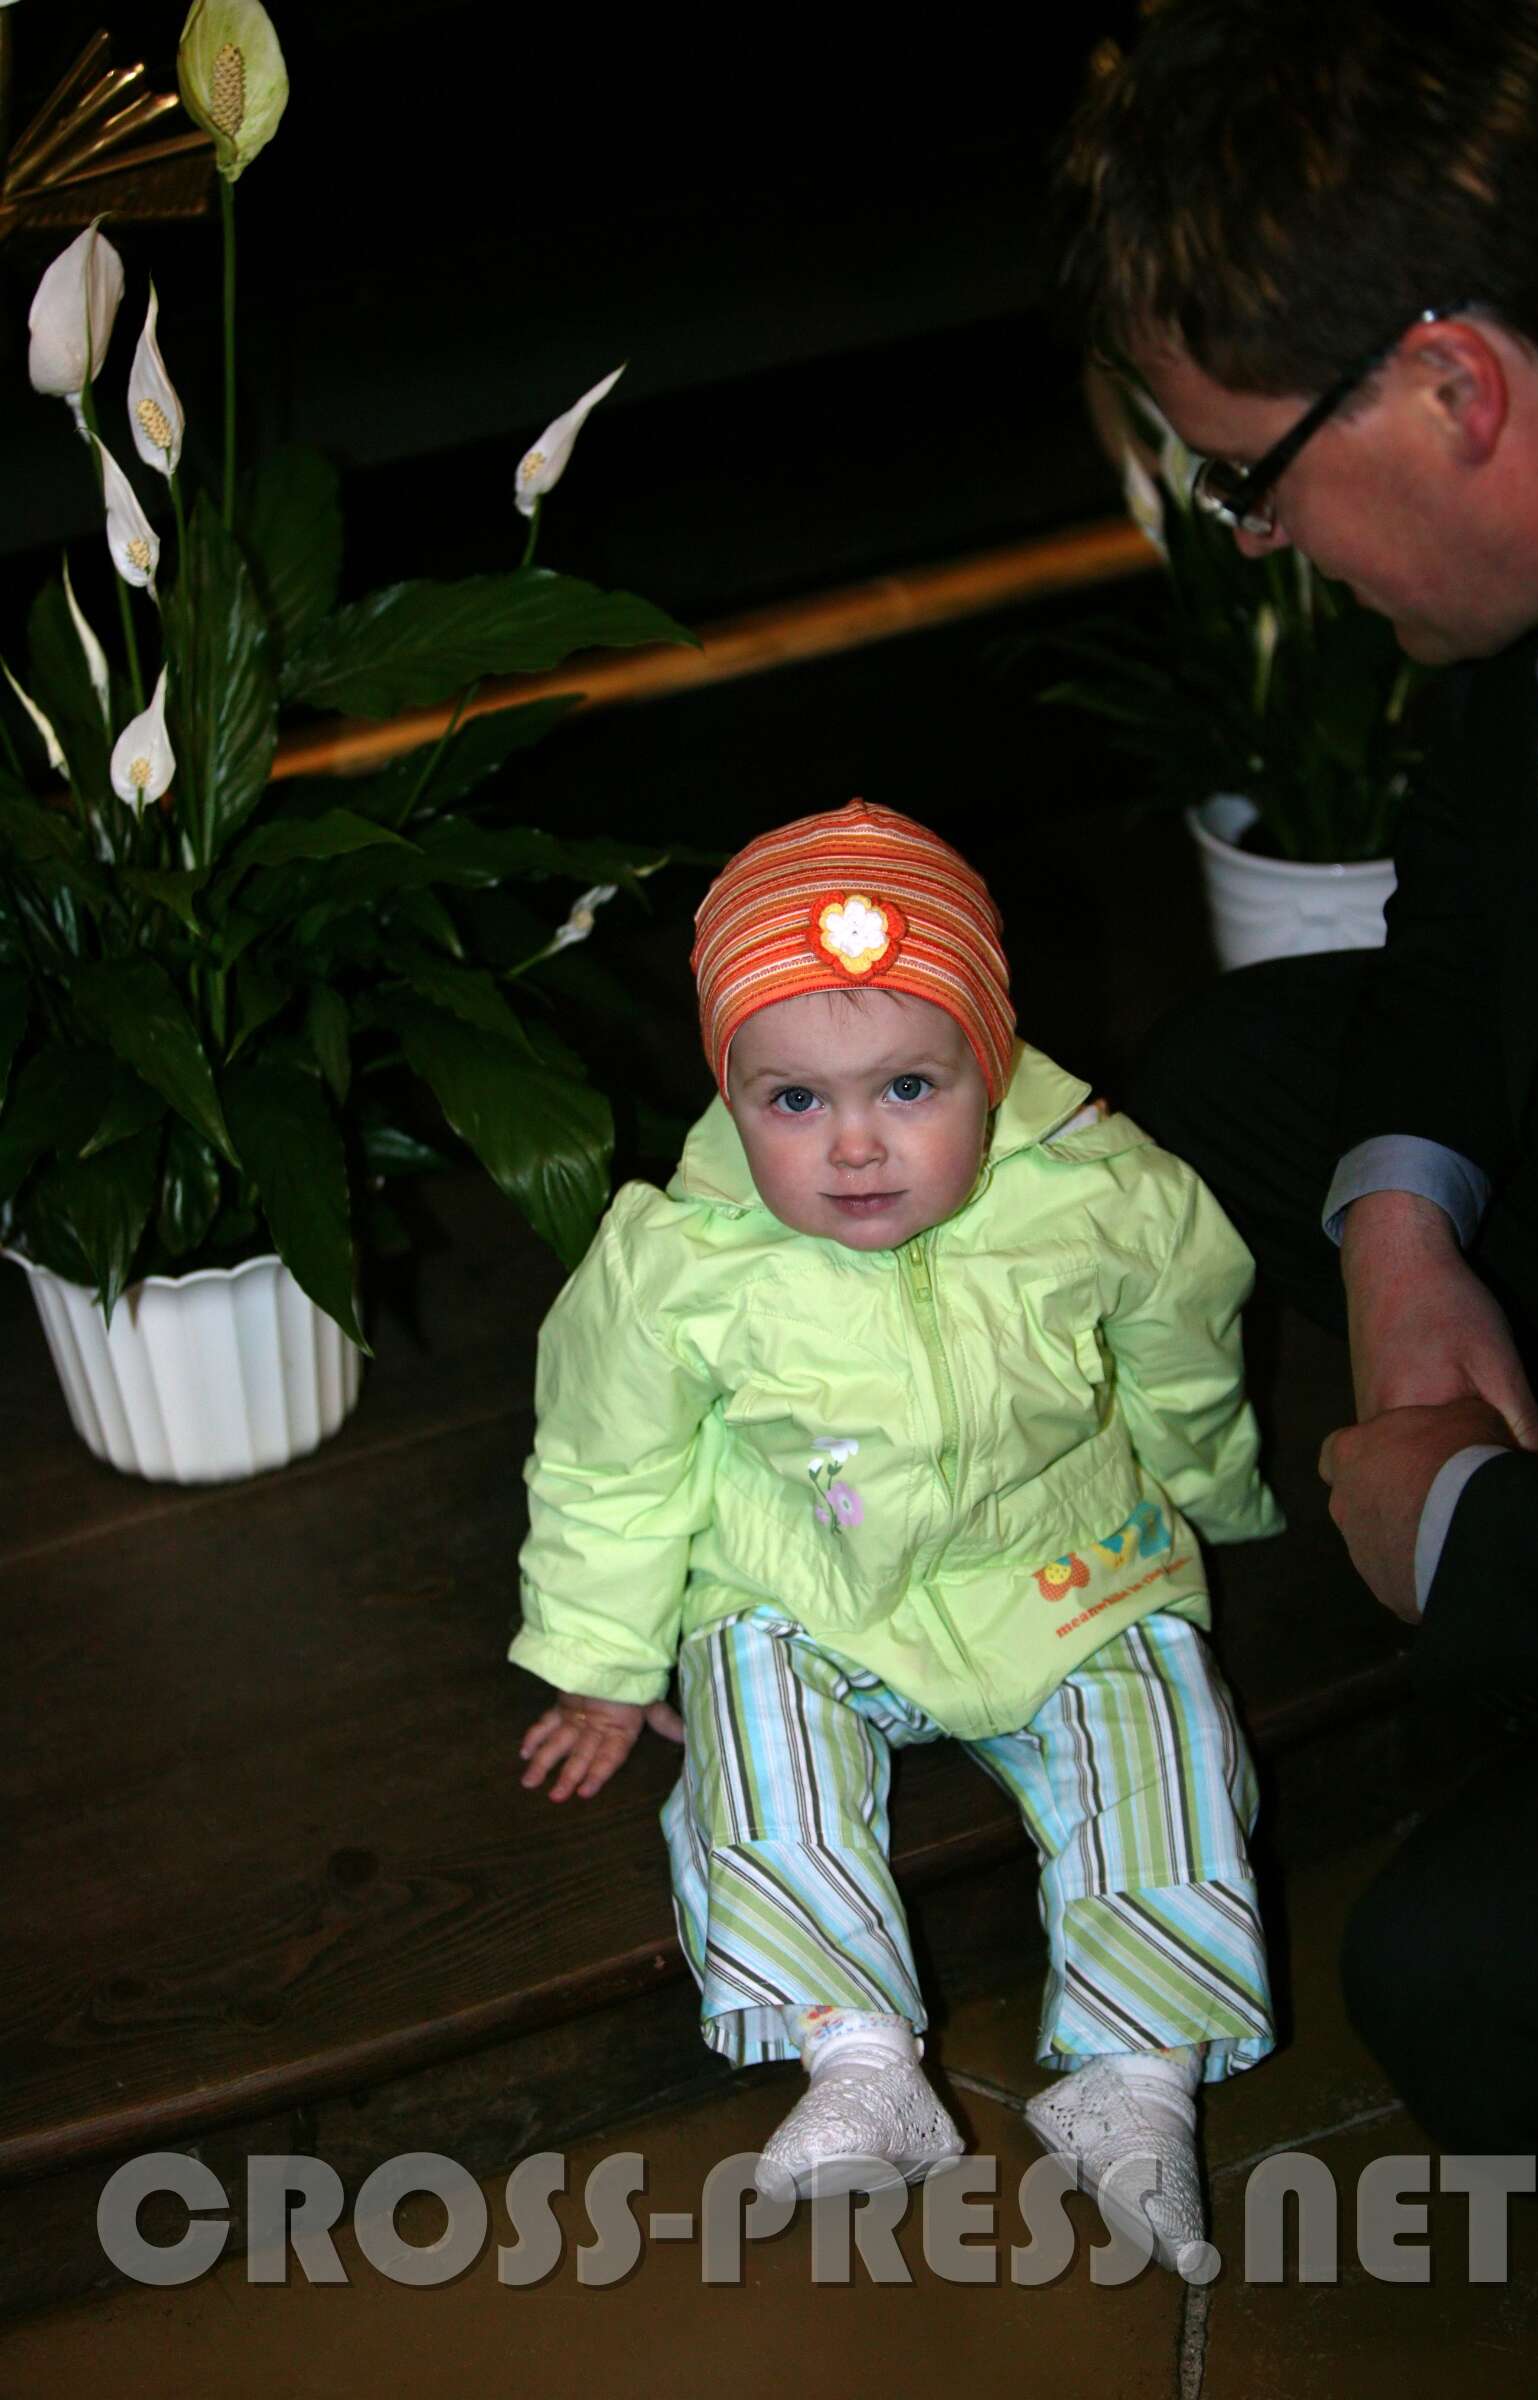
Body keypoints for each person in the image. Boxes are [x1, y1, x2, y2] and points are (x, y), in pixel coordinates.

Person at [1060, 0, 1538, 2198]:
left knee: (1467, 1983)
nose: (1253, 541)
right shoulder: (1537, 578)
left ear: (1451, 385)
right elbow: (1463, 898)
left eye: (1250, 473)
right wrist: (1399, 1232)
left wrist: (1468, 1533)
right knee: (1238, 1082)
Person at [511, 799, 1282, 2271]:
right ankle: (855, 2053)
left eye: (911, 1087)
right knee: (749, 1724)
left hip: (1059, 1566)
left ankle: (1137, 2077)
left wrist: (1210, 1487)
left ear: (992, 1060)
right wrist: (601, 1663)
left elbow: (1185, 1350)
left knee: (1163, 1731)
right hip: (803, 1579)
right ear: (728, 1091)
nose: (855, 1145)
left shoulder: (1105, 1196)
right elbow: (608, 1464)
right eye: (793, 1101)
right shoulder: (677, 1260)